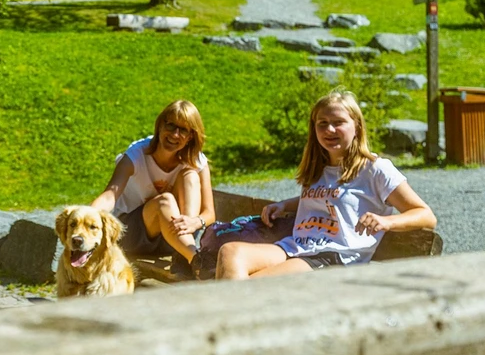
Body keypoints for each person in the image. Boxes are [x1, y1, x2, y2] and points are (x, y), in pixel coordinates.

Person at [212, 90, 435, 279]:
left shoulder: (375, 169)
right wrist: (286, 206)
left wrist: (386, 221)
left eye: (338, 123)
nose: (329, 130)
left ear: (356, 126)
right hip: (297, 247)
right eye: (323, 123)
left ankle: (232, 327)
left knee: (253, 285)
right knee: (230, 252)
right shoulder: (318, 167)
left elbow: (425, 215)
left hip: (335, 257)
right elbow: (330, 198)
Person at [91, 100, 214, 265]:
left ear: (190, 136)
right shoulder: (136, 155)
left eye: (183, 130)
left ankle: (186, 252)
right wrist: (85, 217)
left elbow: (209, 213)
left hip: (174, 236)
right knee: (165, 200)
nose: (175, 134)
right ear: (160, 125)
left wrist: (195, 222)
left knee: (190, 175)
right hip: (132, 236)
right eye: (171, 125)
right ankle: (195, 260)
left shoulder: (197, 161)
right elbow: (109, 196)